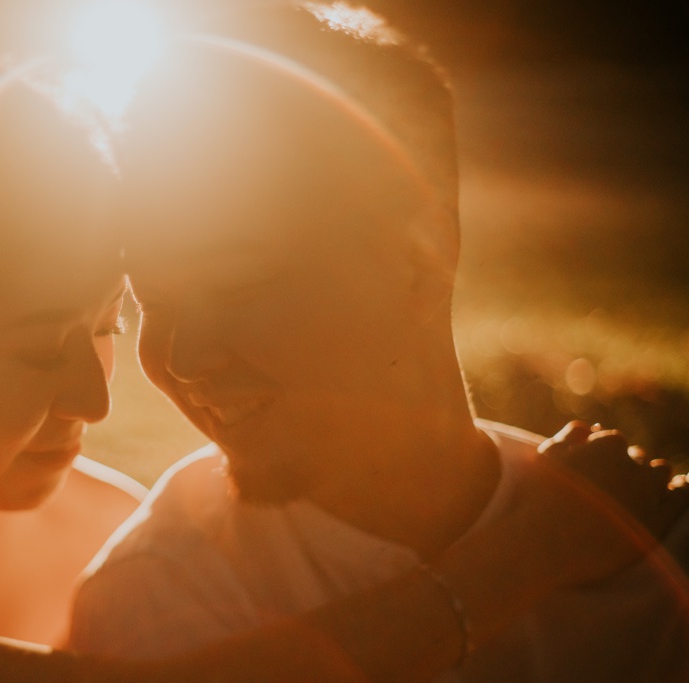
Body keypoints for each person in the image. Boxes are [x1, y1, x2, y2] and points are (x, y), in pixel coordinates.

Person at [0, 34, 680, 683]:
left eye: (107, 325)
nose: (96, 397)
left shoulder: (110, 524)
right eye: (40, 346)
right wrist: (529, 551)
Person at [69, 3, 689, 680]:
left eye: (240, 285)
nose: (182, 360)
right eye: (153, 301)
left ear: (420, 262)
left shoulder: (650, 554)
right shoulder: (157, 601)